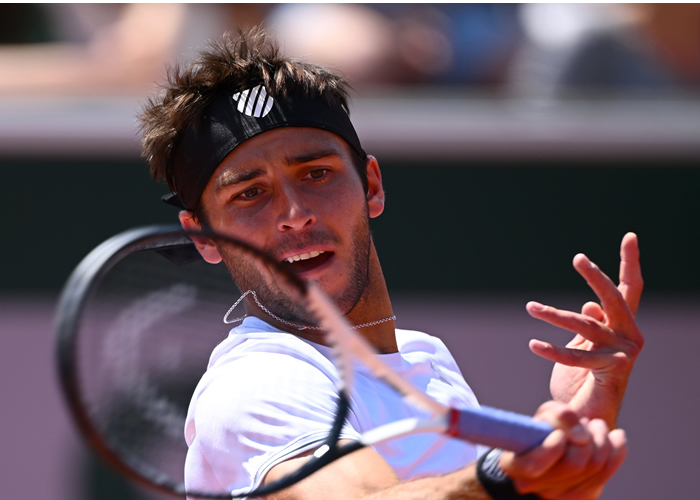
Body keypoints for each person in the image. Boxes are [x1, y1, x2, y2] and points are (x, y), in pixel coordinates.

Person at [138, 29, 643, 500]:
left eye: (316, 173)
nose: (294, 215)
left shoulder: (428, 360)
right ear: (204, 236)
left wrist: (587, 415)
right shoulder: (255, 383)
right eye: (250, 194)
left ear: (372, 185)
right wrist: (496, 477)